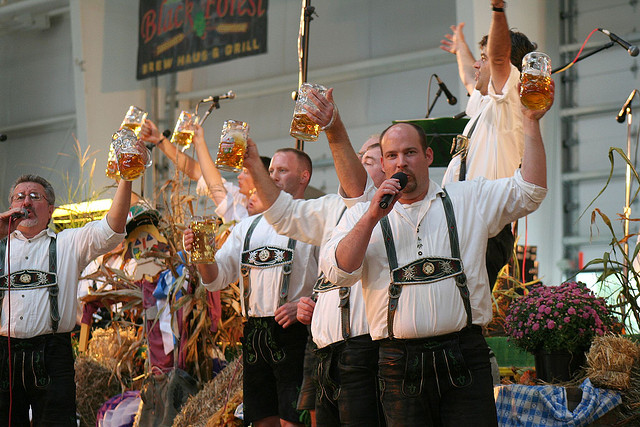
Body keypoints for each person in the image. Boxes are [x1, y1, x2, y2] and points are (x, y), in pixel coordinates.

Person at [320, 79, 553, 425]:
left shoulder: (467, 197)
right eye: (393, 156)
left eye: (410, 153)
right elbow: (338, 270)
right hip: (399, 363)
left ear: (428, 157)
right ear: (383, 165)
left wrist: (531, 123)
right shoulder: (361, 216)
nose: (402, 163)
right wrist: (371, 217)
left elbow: (530, 191)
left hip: (464, 355)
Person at [243, 88, 385, 426]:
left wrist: (334, 128)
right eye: (359, 156)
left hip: (370, 349)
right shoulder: (331, 207)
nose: (357, 163)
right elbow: (282, 215)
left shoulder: (397, 210)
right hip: (324, 348)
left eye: (368, 159)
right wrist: (314, 301)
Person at [184, 148, 317, 427]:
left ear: (304, 177)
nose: (274, 177)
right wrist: (201, 254)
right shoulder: (247, 226)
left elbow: (337, 279)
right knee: (261, 420)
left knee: (294, 421)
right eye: (271, 171)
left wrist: (307, 305)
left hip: (297, 335)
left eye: (283, 171)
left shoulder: (314, 219)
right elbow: (215, 279)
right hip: (255, 333)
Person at [0, 174, 133, 426]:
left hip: (53, 355)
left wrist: (126, 179)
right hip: (3, 354)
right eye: (19, 197)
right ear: (10, 208)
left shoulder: (68, 242)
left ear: (50, 209)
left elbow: (112, 229)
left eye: (34, 196)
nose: (26, 201)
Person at [440, 1, 538, 290]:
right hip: (461, 226)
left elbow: (497, 59)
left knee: (466, 316)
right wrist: (461, 49)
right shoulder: (486, 105)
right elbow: (470, 79)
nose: (477, 63)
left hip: (482, 232)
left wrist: (497, 10)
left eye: (483, 57)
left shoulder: (510, 102)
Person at [139, 119, 270, 223]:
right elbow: (199, 173)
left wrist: (199, 142)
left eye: (246, 172)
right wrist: (160, 140)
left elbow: (215, 186)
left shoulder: (266, 217)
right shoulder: (240, 198)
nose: (239, 177)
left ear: (261, 178)